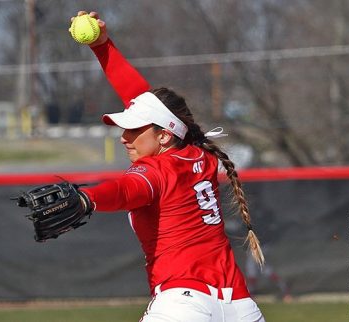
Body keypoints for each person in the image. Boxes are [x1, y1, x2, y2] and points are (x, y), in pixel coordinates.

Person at [70, 11, 266, 322]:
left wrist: (87, 199)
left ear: (164, 135)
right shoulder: (198, 157)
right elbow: (144, 102)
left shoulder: (157, 170)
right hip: (241, 307)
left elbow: (125, 190)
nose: (124, 137)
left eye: (134, 129)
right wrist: (102, 45)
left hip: (184, 305)